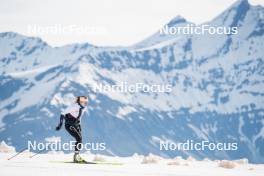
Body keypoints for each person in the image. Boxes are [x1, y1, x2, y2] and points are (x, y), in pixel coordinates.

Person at [55, 96, 88, 163]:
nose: (85, 103)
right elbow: (62, 113)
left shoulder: (83, 108)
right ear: (79, 101)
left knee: (79, 139)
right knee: (79, 139)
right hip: (69, 125)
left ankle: (77, 156)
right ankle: (76, 157)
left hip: (75, 125)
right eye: (83, 101)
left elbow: (79, 117)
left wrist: (79, 126)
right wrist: (60, 125)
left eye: (86, 101)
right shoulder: (74, 106)